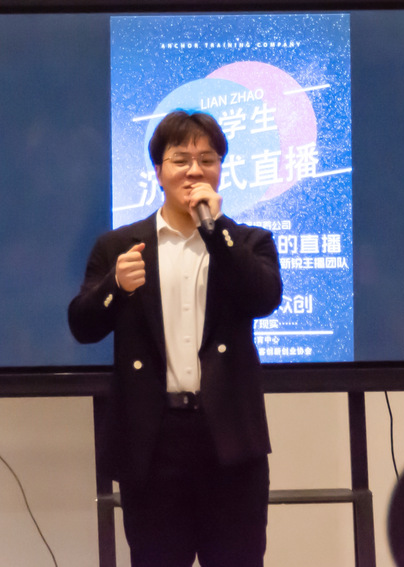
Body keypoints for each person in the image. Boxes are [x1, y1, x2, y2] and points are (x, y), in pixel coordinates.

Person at [68, 110, 283, 567]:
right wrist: (115, 286)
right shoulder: (119, 246)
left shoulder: (247, 241)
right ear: (158, 171)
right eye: (181, 159)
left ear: (221, 170)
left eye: (207, 160)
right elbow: (82, 327)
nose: (194, 171)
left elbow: (263, 298)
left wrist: (217, 231)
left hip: (229, 440)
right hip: (153, 443)